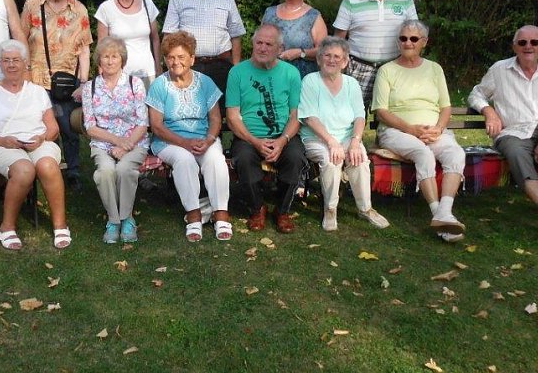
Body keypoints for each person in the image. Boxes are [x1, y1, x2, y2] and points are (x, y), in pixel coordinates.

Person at [468, 25, 538, 247]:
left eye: (533, 42)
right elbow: (476, 93)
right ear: (514, 46)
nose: (528, 46)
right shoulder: (499, 70)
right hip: (514, 131)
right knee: (516, 155)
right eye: (522, 43)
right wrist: (488, 111)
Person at [371, 20, 466, 242]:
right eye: (403, 38)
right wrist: (411, 129)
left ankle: (445, 212)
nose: (408, 43)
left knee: (456, 154)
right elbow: (381, 111)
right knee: (422, 153)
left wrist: (439, 129)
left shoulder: (434, 69)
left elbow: (445, 106)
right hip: (397, 131)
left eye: (413, 39)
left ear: (424, 42)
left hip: (433, 130)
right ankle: (438, 216)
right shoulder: (387, 70)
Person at [0, 40, 70, 251]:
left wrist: (42, 138)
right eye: (6, 60)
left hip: (38, 141)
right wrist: (2, 140)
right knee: (24, 170)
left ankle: (60, 225)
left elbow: (53, 128)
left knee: (47, 165)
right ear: (0, 64)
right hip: (2, 145)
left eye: (16, 60)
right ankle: (7, 227)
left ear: (25, 63)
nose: (11, 65)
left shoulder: (37, 92)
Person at [147, 32, 232, 242]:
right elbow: (156, 126)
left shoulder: (206, 82)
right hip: (169, 141)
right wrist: (184, 143)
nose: (176, 62)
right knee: (184, 160)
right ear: (165, 59)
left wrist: (210, 140)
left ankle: (221, 213)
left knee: (215, 159)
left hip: (204, 138)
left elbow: (215, 119)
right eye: (171, 57)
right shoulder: (159, 85)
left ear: (192, 59)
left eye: (181, 57)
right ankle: (193, 215)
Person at [299, 37, 389, 232]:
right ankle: (330, 209)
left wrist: (356, 142)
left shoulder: (351, 83)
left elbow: (359, 116)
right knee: (331, 160)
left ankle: (365, 208)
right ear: (319, 59)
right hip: (317, 138)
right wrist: (331, 142)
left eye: (337, 57)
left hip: (347, 136)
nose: (332, 60)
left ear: (345, 61)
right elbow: (309, 118)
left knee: (360, 158)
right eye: (327, 55)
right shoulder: (310, 81)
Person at [226, 24, 306, 233]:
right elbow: (233, 116)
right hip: (248, 136)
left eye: (268, 44)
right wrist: (255, 141)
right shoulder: (237, 72)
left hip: (282, 135)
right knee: (243, 158)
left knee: (296, 157)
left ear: (280, 49)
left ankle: (282, 210)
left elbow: (295, 115)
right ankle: (257, 208)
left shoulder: (291, 73)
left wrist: (282, 141)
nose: (262, 48)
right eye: (258, 43)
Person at [20, 0, 92, 188]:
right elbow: (21, 40)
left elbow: (85, 48)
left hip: (66, 82)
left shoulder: (79, 9)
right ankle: (42, 168)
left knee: (68, 127)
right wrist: (25, 73)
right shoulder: (32, 5)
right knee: (39, 126)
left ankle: (72, 172)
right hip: (36, 80)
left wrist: (83, 82)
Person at [82, 37, 149, 244]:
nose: (110, 61)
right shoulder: (90, 88)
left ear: (122, 60)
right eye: (105, 57)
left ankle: (127, 218)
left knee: (124, 170)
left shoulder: (135, 83)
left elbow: (143, 122)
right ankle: (113, 220)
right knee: (105, 172)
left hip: (134, 141)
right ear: (98, 61)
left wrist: (126, 144)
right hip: (103, 143)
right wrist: (116, 141)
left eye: (114, 56)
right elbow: (90, 126)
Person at [333, 0, 418, 106]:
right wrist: (338, 69)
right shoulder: (351, 0)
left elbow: (415, 36)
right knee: (352, 119)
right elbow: (338, 40)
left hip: (395, 68)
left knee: (393, 119)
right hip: (358, 69)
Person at [162, 0, 246, 95]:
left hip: (222, 66)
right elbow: (169, 37)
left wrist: (236, 67)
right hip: (189, 66)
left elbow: (236, 35)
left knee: (220, 114)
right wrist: (172, 68)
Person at [95, 0, 161, 90]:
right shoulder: (105, 8)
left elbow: (155, 39)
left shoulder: (147, 4)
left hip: (148, 74)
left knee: (150, 111)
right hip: (118, 76)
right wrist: (102, 75)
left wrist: (159, 67)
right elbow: (101, 47)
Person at [261, 0, 327, 79]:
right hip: (270, 77)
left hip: (302, 79)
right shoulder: (269, 13)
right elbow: (259, 44)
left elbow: (324, 51)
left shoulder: (313, 16)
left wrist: (300, 53)